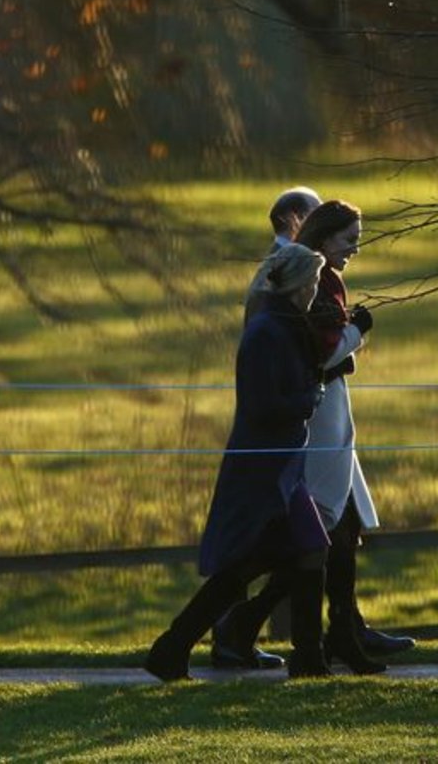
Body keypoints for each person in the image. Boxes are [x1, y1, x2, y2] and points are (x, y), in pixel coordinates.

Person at [214, 199, 416, 674]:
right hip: (315, 420)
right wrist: (356, 335)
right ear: (320, 234)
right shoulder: (304, 280)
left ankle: (336, 633)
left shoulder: (309, 277)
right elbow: (315, 354)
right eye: (349, 240)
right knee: (315, 535)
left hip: (325, 419)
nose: (354, 250)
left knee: (335, 533)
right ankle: (241, 626)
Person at [144, 242, 333, 681]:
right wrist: (311, 397)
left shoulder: (282, 325)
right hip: (263, 470)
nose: (315, 291)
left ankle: (307, 659)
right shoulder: (266, 331)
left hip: (284, 467)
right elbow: (262, 405)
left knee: (309, 548)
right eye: (313, 283)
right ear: (297, 284)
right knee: (246, 564)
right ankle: (174, 647)